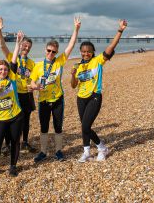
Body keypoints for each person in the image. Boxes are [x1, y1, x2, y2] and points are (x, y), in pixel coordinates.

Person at [70, 19, 127, 162]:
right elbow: (73, 85)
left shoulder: (98, 61)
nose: (86, 54)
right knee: (84, 127)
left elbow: (111, 46)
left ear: (93, 52)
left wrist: (120, 31)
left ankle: (102, 148)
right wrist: (72, 74)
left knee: (85, 126)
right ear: (81, 52)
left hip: (94, 96)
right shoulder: (78, 65)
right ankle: (87, 152)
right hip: (80, 97)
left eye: (88, 52)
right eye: (83, 52)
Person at [30, 17, 81, 162]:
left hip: (58, 99)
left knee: (58, 127)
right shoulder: (38, 66)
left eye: (54, 52)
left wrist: (76, 29)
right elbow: (32, 83)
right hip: (43, 100)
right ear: (45, 50)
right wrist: (35, 86)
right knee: (44, 127)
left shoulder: (59, 61)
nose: (51, 54)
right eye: (49, 51)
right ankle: (43, 152)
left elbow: (71, 45)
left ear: (56, 52)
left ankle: (59, 151)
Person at [0, 31, 24, 178]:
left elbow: (13, 59)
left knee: (15, 142)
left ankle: (13, 166)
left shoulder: (12, 78)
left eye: (5, 69)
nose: (3, 71)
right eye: (0, 69)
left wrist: (17, 43)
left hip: (15, 116)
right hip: (0, 118)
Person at [0, 17, 36, 153]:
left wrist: (34, 85)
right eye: (25, 46)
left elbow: (33, 79)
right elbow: (2, 46)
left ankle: (24, 142)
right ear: (20, 45)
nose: (26, 48)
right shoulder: (12, 58)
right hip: (13, 94)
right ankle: (8, 144)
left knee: (26, 120)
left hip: (27, 95)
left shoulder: (32, 63)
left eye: (29, 47)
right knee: (9, 119)